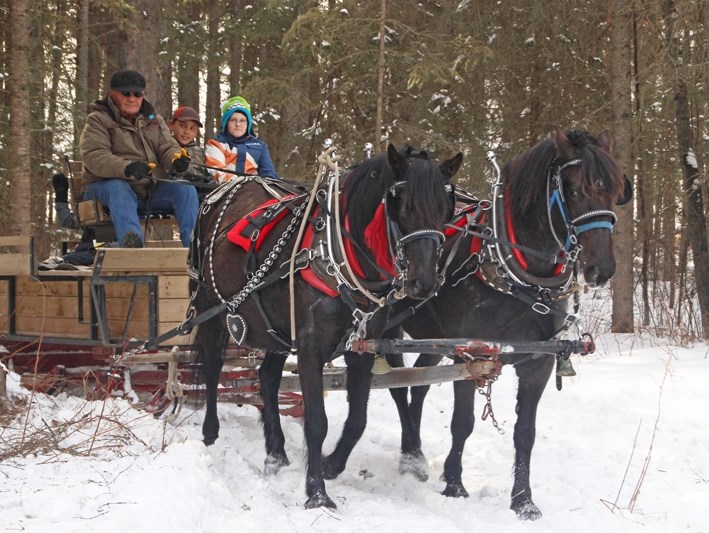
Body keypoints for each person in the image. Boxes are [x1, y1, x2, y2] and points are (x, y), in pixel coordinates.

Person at [79, 70, 197, 247]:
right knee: (119, 187)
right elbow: (94, 156)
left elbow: (167, 147)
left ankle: (195, 247)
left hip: (147, 190)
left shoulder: (154, 120)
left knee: (184, 189)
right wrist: (127, 168)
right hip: (104, 190)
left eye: (137, 94)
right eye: (126, 93)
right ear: (113, 94)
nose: (132, 98)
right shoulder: (98, 119)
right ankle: (131, 244)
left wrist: (176, 161)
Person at [204, 96, 279, 184]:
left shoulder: (260, 146)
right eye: (233, 120)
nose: (238, 124)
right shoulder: (216, 144)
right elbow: (218, 173)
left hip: (256, 190)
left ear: (248, 124)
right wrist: (246, 182)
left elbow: (269, 174)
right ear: (226, 122)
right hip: (224, 191)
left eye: (242, 120)